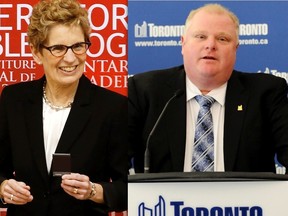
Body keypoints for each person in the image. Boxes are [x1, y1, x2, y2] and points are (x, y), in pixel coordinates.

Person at [0, 0, 127, 215]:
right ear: (36, 52)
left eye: (78, 46)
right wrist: (3, 188)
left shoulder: (112, 107)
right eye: (58, 48)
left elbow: (130, 188)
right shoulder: (14, 99)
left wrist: (93, 191)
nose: (70, 58)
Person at [128, 3, 288, 173]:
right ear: (183, 43)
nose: (211, 45)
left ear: (236, 48)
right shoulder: (145, 90)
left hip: (245, 200)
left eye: (222, 39)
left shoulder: (266, 93)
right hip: (163, 199)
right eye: (201, 36)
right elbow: (115, 162)